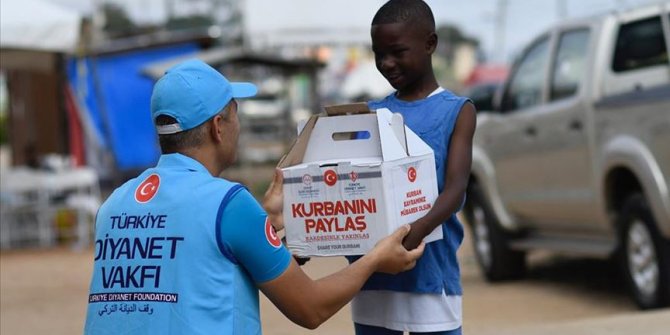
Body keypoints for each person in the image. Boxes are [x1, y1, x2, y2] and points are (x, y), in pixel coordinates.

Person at [83, 59, 425, 334]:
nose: (239, 127)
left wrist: (266, 222)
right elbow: (310, 308)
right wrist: (376, 260)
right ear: (218, 127)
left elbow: (195, 258)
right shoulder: (228, 204)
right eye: (235, 115)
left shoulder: (113, 204)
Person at [348, 1, 477, 334]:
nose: (386, 63)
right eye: (379, 54)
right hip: (374, 278)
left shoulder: (457, 111)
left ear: (430, 44)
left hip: (430, 274)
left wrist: (412, 235)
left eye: (397, 52)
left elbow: (455, 188)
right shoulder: (370, 115)